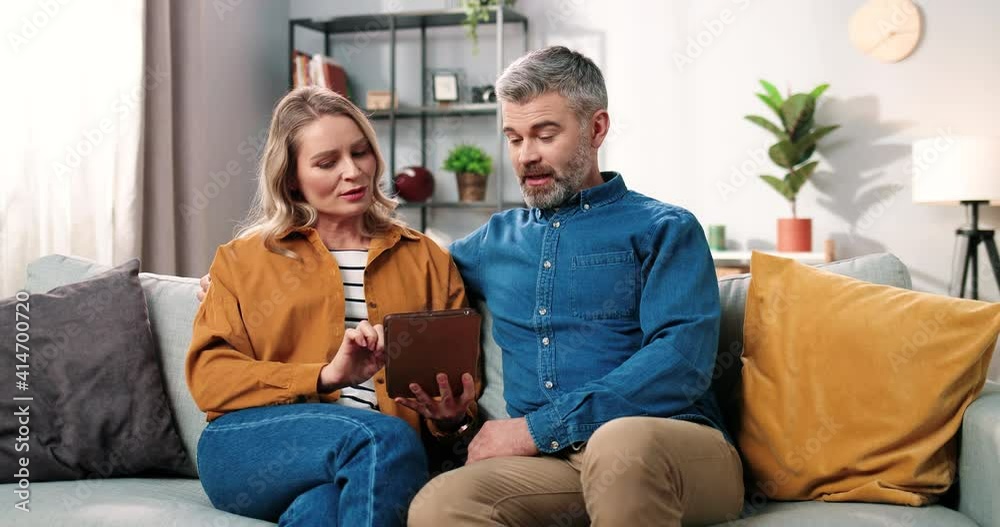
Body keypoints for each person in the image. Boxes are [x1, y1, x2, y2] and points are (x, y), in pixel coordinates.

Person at [405, 46, 744, 526]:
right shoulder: (493, 242)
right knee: (441, 504)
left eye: (545, 135)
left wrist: (535, 429)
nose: (526, 156)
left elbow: (681, 361)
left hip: (670, 449)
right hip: (552, 466)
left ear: (596, 129)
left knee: (619, 442)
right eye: (514, 138)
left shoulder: (665, 228)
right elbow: (410, 266)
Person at [186, 86, 479, 527]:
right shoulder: (241, 260)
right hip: (248, 444)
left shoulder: (427, 259)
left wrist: (450, 418)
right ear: (291, 178)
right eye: (327, 163)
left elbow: (460, 390)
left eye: (360, 152)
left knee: (322, 510)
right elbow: (210, 380)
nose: (353, 172)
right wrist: (325, 375)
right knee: (383, 438)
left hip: (379, 462)